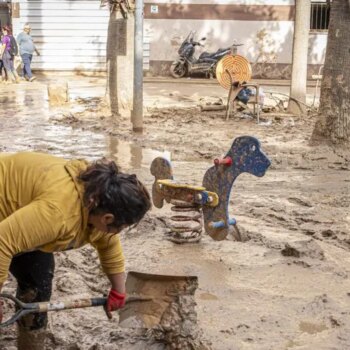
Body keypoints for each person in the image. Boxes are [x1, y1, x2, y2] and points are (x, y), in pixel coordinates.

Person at [0, 152, 152, 349]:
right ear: (107, 218)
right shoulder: (58, 214)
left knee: (39, 283)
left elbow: (108, 244)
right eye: (120, 228)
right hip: (8, 221)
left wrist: (118, 290)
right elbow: (2, 241)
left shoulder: (98, 199)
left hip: (23, 219)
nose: (117, 233)